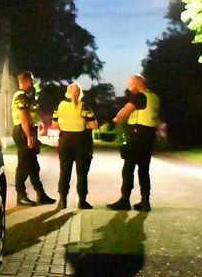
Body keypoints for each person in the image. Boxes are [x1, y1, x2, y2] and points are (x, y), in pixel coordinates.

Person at [106, 74, 161, 211]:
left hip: (138, 136)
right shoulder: (154, 97)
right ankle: (145, 202)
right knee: (144, 170)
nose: (129, 87)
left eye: (130, 84)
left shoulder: (139, 96)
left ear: (137, 83)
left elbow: (124, 113)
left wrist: (116, 119)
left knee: (128, 169)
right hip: (149, 136)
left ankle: (124, 200)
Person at [11, 71, 55, 206]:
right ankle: (21, 195)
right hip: (23, 132)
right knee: (24, 165)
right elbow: (24, 118)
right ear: (25, 81)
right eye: (31, 80)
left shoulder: (27, 96)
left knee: (33, 166)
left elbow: (31, 115)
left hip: (27, 131)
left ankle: (41, 194)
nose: (32, 83)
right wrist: (29, 137)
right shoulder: (21, 97)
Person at [53, 82, 97, 210]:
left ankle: (62, 200)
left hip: (65, 140)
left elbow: (54, 124)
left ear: (67, 92)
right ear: (80, 93)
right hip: (81, 141)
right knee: (82, 172)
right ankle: (82, 201)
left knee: (64, 171)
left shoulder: (60, 106)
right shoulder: (84, 107)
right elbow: (93, 125)